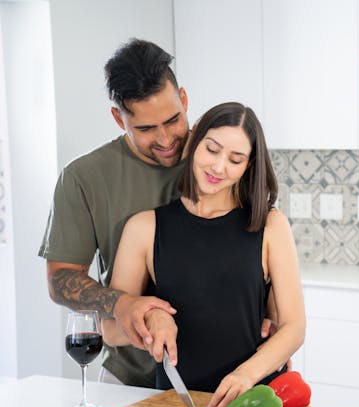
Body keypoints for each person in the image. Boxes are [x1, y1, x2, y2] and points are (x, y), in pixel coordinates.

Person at [38, 39, 279, 387]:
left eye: (173, 120)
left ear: (183, 99)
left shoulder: (220, 159)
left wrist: (271, 317)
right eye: (146, 129)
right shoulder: (84, 179)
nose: (166, 139)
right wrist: (125, 305)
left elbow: (262, 248)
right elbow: (60, 279)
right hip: (129, 376)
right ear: (118, 119)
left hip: (228, 380)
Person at [102, 102, 305, 407]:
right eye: (212, 149)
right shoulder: (144, 228)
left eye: (235, 159)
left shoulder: (270, 225)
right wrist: (150, 318)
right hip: (176, 405)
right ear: (194, 143)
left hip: (254, 401)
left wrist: (245, 376)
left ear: (249, 166)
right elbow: (110, 329)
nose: (219, 167)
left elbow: (294, 327)